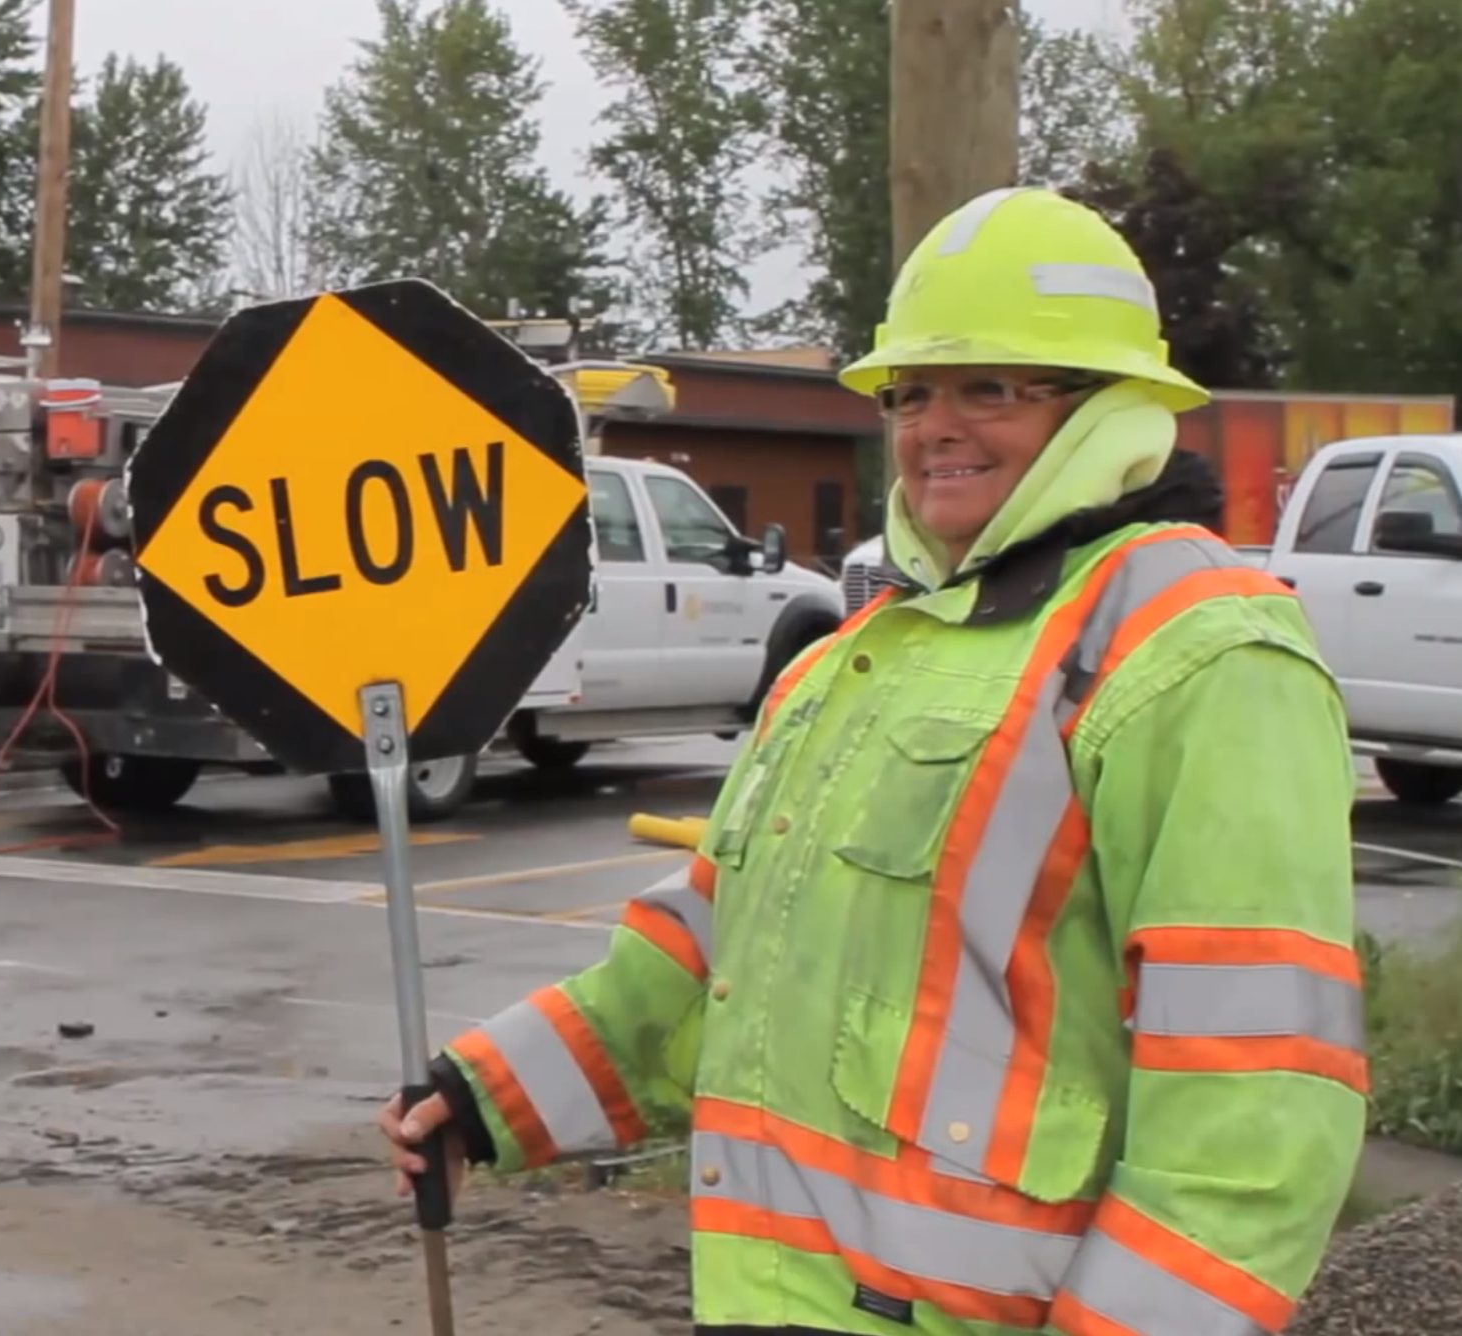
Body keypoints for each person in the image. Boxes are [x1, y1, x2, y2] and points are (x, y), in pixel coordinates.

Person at [379, 185, 1368, 1336]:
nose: (932, 425)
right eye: (910, 392)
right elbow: (713, 958)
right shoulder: (851, 660)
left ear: (1110, 405)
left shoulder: (1196, 651)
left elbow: (1251, 1104)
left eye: (988, 387)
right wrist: (484, 1098)